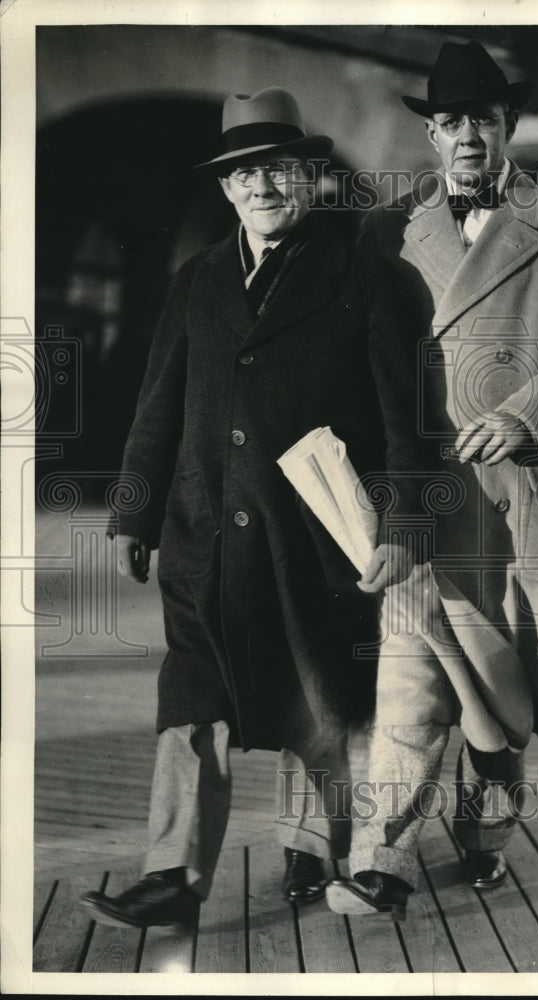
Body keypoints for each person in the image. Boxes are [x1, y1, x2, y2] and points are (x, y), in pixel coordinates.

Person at [80, 87, 411, 929]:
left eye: (278, 170)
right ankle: (173, 875)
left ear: (308, 177)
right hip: (204, 538)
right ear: (226, 190)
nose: (262, 187)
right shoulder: (197, 280)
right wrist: (134, 513)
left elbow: (403, 419)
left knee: (323, 697)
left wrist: (404, 526)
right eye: (243, 176)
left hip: (315, 540)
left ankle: (322, 849)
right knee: (191, 703)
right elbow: (158, 403)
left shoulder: (364, 278)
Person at [326, 39, 538, 920]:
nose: (467, 136)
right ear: (431, 134)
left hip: (527, 491)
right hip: (420, 493)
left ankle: (485, 835)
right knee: (411, 668)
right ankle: (382, 857)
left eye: (484, 121)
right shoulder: (385, 230)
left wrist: (528, 413)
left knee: (507, 681)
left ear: (509, 128)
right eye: (451, 121)